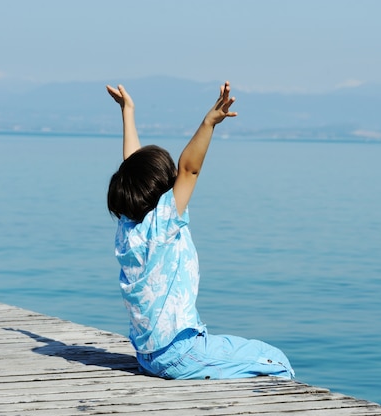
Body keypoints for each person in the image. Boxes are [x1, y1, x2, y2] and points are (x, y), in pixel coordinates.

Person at [106, 81, 295, 380]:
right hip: (182, 354)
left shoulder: (128, 230)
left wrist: (127, 112)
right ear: (164, 190)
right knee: (276, 360)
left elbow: (132, 168)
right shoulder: (164, 222)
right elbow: (189, 169)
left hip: (147, 358)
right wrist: (208, 123)